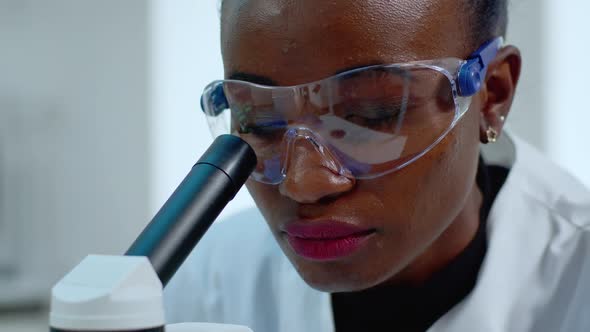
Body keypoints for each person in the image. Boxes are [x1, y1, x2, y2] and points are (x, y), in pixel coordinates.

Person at [164, 0, 590, 331]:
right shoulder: (211, 281)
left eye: (372, 113)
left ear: (492, 95)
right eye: (258, 118)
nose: (304, 184)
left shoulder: (577, 286)